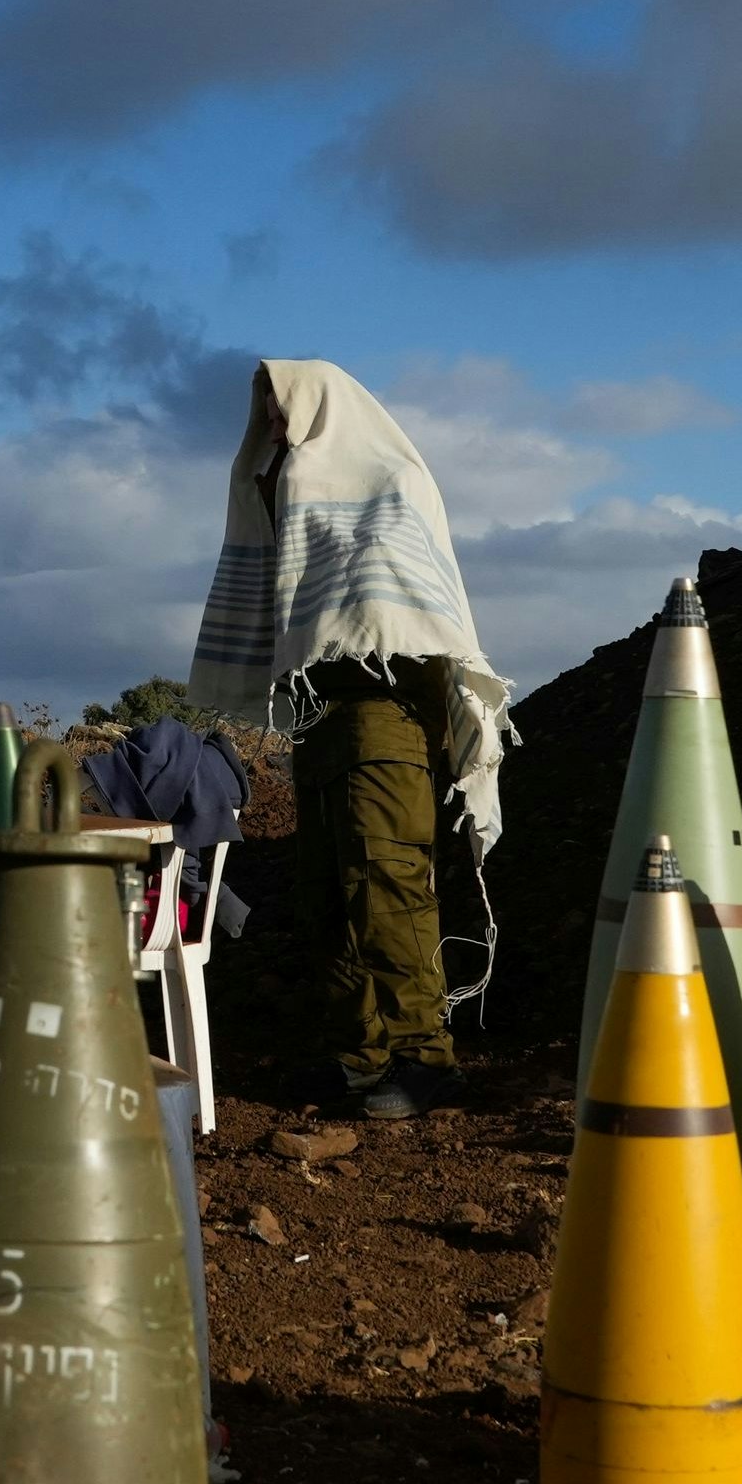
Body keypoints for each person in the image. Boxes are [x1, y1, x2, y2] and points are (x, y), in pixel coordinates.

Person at [187, 361, 519, 1122]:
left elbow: (403, 606)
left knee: (389, 884)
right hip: (323, 720)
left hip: (386, 716)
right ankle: (358, 1054)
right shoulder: (299, 485)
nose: (273, 428)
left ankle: (423, 1056)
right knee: (328, 893)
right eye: (266, 416)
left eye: (283, 411)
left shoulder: (390, 479)